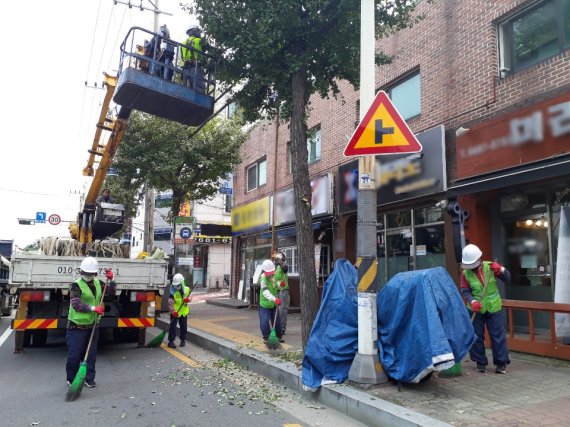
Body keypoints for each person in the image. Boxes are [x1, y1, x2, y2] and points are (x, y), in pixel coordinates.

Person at [460, 244, 511, 374]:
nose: (472, 267)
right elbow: (465, 290)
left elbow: (508, 278)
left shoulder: (491, 267)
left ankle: (501, 363)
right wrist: (472, 300)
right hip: (475, 308)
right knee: (476, 336)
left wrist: (501, 269)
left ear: (479, 259)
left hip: (494, 306)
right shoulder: (465, 273)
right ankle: (480, 362)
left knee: (497, 335)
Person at [66, 257, 116, 388]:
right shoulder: (76, 285)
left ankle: (89, 378)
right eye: (86, 273)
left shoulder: (99, 284)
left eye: (90, 274)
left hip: (93, 325)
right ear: (81, 272)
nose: (88, 276)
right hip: (76, 326)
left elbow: (111, 293)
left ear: (95, 273)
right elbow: (75, 304)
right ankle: (71, 378)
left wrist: (112, 280)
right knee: (74, 355)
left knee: (91, 354)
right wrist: (93, 308)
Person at [258, 260, 283, 345]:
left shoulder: (273, 276)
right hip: (265, 304)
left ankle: (278, 336)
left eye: (272, 272)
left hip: (274, 304)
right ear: (265, 271)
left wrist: (280, 284)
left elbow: (275, 284)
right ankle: (266, 337)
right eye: (269, 272)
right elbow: (265, 292)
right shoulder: (263, 279)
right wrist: (274, 299)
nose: (271, 274)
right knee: (264, 321)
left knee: (277, 321)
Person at [167, 273, 192, 348]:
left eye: (178, 285)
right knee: (173, 327)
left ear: (182, 283)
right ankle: (171, 341)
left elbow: (191, 297)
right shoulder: (173, 292)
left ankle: (183, 340)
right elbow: (170, 303)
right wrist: (173, 311)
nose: (176, 287)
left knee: (183, 327)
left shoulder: (187, 289)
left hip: (183, 312)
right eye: (175, 285)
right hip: (175, 313)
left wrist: (188, 299)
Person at [180, 25, 207, 93]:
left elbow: (182, 57)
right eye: (198, 32)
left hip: (185, 69)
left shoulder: (183, 43)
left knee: (185, 90)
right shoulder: (199, 40)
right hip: (196, 68)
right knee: (199, 90)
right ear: (194, 31)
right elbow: (207, 48)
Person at [274, 251, 290, 335]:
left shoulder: (283, 265)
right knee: (276, 310)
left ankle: (282, 329)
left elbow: (285, 268)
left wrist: (280, 261)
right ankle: (277, 327)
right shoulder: (276, 268)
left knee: (282, 310)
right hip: (276, 290)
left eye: (279, 257)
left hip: (283, 291)